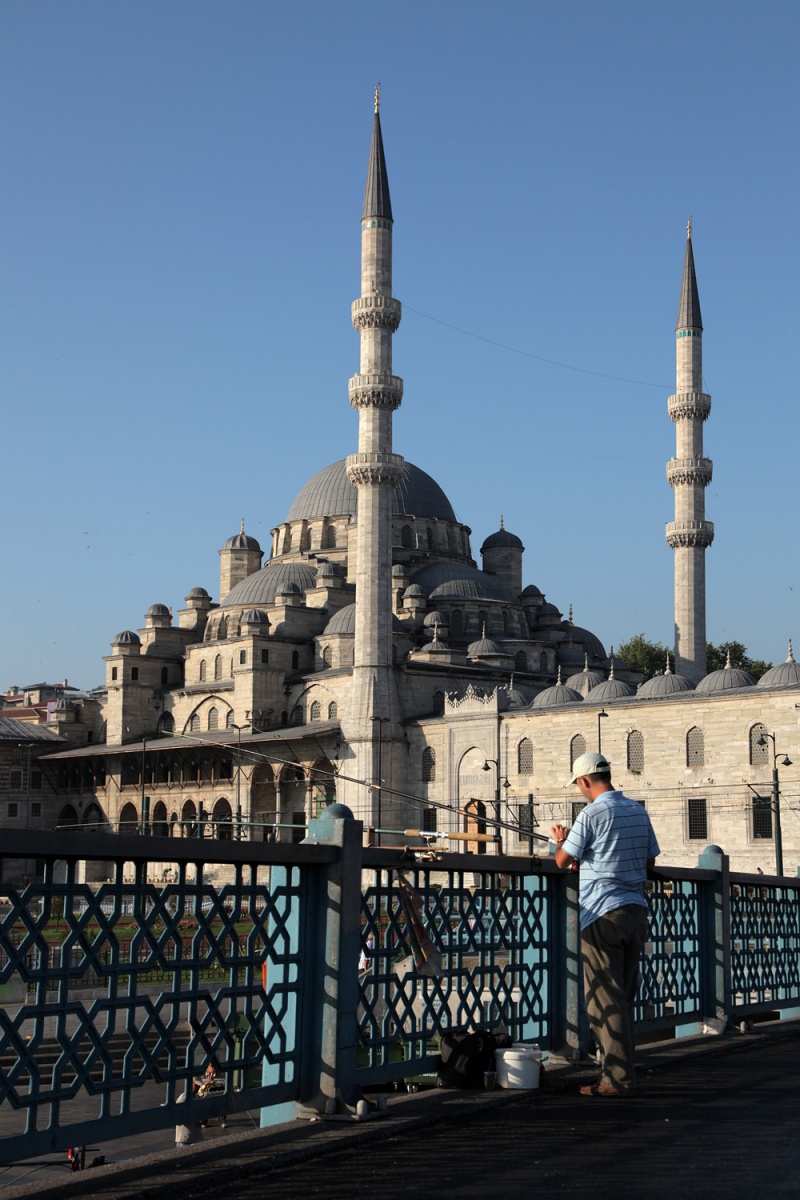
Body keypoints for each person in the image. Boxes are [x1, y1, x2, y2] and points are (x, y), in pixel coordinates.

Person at [550, 751, 659, 1098]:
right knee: (623, 997)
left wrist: (560, 841)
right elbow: (650, 859)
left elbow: (562, 860)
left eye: (579, 786)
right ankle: (617, 1073)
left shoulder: (591, 814)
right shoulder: (637, 810)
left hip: (600, 914)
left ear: (584, 781)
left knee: (604, 1000)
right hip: (635, 912)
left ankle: (617, 1081)